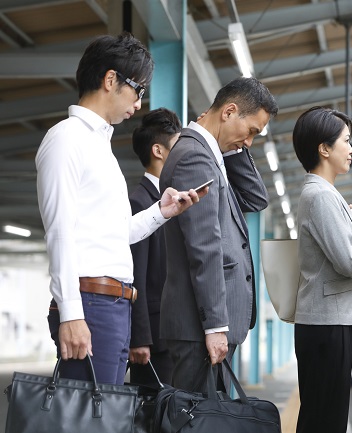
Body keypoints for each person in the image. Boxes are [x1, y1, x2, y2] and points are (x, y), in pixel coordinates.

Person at [36, 32, 205, 386]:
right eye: (138, 90)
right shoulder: (66, 139)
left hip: (111, 304)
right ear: (110, 79)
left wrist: (163, 211)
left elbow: (115, 233)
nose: (139, 103)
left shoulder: (99, 146)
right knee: (88, 419)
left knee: (103, 419)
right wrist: (70, 313)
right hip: (91, 302)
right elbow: (60, 230)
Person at [159, 76, 278, 393]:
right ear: (229, 112)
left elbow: (255, 198)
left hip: (205, 327)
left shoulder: (209, 154)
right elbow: (204, 246)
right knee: (196, 422)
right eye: (251, 131)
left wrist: (232, 147)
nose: (250, 141)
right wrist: (215, 326)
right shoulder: (195, 157)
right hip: (200, 327)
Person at [292, 106, 352, 433]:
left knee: (323, 417)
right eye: (346, 141)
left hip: (327, 322)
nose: (351, 149)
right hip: (327, 323)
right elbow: (349, 263)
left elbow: (338, 254)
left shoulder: (322, 193)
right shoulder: (320, 195)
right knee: (325, 421)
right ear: (324, 148)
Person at [128, 108, 182, 385]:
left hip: (171, 333)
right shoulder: (140, 202)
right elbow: (134, 275)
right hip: (153, 341)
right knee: (152, 421)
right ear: (158, 151)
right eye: (177, 147)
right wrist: (139, 338)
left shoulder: (167, 198)